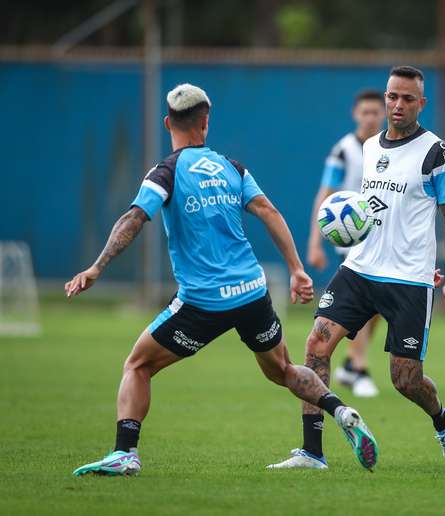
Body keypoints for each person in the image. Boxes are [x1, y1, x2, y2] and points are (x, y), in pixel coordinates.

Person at [66, 83, 377, 476]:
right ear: (206, 123)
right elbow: (268, 211)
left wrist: (97, 267)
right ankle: (340, 409)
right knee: (282, 370)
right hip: (252, 293)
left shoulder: (165, 172)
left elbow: (133, 219)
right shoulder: (232, 167)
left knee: (138, 365)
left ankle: (125, 452)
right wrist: (297, 269)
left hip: (203, 302)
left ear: (168, 123)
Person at [268, 65, 445, 469]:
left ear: (421, 103)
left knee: (405, 380)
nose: (397, 105)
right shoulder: (370, 147)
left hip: (409, 278)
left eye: (407, 98)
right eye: (392, 96)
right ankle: (312, 452)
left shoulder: (436, 152)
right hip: (359, 269)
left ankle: (443, 421)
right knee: (315, 346)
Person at [307, 90, 386, 398]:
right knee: (363, 301)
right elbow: (324, 194)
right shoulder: (344, 151)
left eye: (375, 112)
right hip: (352, 239)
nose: (370, 117)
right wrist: (315, 243)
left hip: (381, 237)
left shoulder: (387, 149)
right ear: (355, 113)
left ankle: (351, 366)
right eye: (364, 112)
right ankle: (361, 369)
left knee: (378, 306)